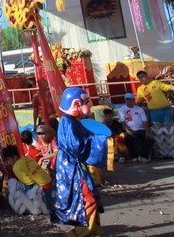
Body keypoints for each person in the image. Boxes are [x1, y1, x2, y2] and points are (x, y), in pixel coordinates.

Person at [52, 87, 109, 237]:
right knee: (87, 202)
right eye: (87, 102)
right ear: (76, 104)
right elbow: (75, 146)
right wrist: (98, 139)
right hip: (72, 168)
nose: (90, 105)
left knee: (91, 202)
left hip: (77, 166)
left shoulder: (76, 121)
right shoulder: (67, 121)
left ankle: (94, 233)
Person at [2, 144, 51, 215]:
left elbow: (30, 184)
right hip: (49, 182)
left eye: (8, 160)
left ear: (15, 157)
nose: (8, 163)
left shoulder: (16, 167)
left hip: (43, 189)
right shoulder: (27, 158)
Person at [118, 94, 151, 163]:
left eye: (130, 100)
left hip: (141, 129)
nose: (129, 102)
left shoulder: (139, 109)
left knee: (146, 137)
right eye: (127, 100)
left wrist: (147, 131)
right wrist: (128, 130)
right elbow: (123, 122)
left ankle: (144, 156)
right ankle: (134, 156)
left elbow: (144, 121)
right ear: (125, 101)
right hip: (130, 129)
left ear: (133, 100)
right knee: (128, 138)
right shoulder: (122, 110)